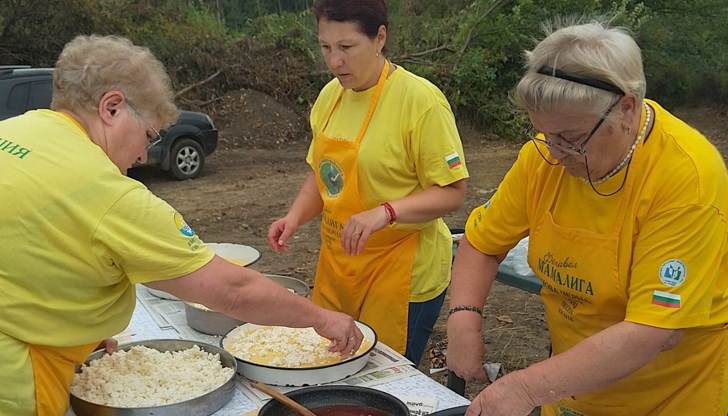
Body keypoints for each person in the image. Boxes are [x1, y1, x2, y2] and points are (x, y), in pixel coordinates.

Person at [0, 35, 363, 416]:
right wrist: (321, 318)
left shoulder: (15, 131)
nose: (143, 154)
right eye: (148, 135)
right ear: (111, 108)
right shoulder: (106, 192)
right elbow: (232, 290)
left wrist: (74, 333)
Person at [446, 18, 728, 416]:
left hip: (670, 398)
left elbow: (654, 331)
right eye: (545, 135)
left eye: (571, 139)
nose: (555, 154)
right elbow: (481, 243)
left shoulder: (687, 180)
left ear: (627, 109)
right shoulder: (544, 159)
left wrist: (526, 388)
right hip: (571, 391)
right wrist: (463, 318)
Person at [267, 0, 468, 364]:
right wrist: (294, 216)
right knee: (331, 368)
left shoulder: (420, 101)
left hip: (402, 277)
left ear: (380, 38)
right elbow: (323, 173)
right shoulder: (330, 96)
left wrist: (386, 212)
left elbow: (452, 192)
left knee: (382, 380)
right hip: (341, 267)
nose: (333, 61)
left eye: (346, 47)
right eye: (325, 47)